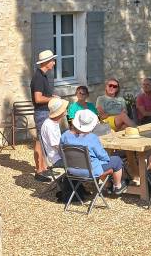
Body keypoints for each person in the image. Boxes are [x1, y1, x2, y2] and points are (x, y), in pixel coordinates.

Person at [60, 109, 127, 195]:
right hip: (91, 172)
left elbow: (62, 152)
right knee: (116, 160)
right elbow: (103, 156)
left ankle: (107, 185)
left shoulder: (65, 136)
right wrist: (105, 159)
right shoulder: (91, 137)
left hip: (71, 171)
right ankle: (117, 186)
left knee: (98, 163)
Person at [30, 49, 57, 182]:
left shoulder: (42, 76)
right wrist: (52, 99)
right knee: (40, 141)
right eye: (52, 60)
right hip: (41, 112)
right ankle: (39, 171)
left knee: (41, 141)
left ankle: (43, 168)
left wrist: (52, 97)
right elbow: (38, 98)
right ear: (46, 62)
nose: (54, 62)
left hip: (43, 112)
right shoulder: (39, 77)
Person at [40, 97, 69, 168]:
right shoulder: (50, 126)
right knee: (84, 161)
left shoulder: (52, 122)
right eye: (64, 108)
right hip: (57, 159)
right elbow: (57, 146)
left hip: (59, 156)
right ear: (61, 112)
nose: (66, 110)